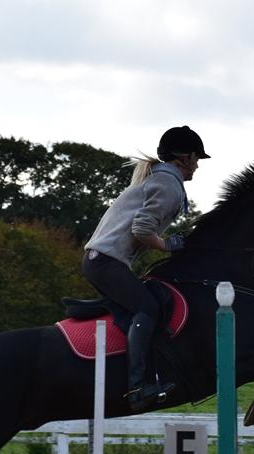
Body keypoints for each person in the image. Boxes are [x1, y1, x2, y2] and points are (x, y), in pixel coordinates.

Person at [82, 125, 210, 411]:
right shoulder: (167, 184)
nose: (198, 166)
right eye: (197, 159)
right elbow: (141, 230)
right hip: (105, 262)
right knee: (149, 308)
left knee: (146, 305)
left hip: (103, 261)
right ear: (184, 158)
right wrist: (167, 246)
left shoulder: (160, 179)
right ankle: (138, 386)